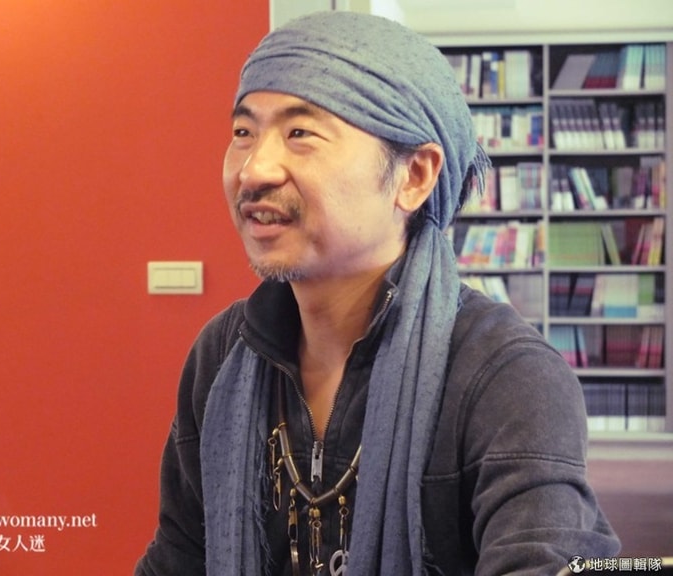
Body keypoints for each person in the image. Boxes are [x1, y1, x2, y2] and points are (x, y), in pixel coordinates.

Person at [135, 11, 620, 576]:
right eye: (244, 133)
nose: (254, 170)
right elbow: (178, 555)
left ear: (415, 176)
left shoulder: (504, 375)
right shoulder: (223, 354)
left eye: (300, 134)